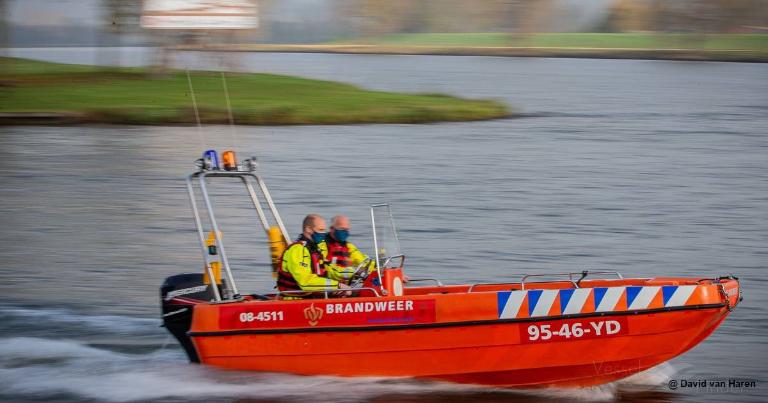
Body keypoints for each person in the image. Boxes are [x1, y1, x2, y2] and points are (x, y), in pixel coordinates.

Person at [277, 214, 351, 296]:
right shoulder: (298, 250)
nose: (323, 233)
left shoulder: (315, 249)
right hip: (295, 300)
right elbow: (305, 282)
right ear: (308, 229)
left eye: (324, 230)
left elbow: (329, 270)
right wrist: (337, 286)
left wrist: (353, 272)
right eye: (320, 230)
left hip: (312, 297)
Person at [319, 215, 375, 284]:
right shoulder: (322, 245)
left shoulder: (348, 246)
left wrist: (376, 267)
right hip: (328, 286)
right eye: (342, 229)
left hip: (345, 287)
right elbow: (325, 268)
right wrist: (353, 271)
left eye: (346, 230)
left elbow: (362, 260)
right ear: (332, 229)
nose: (345, 232)